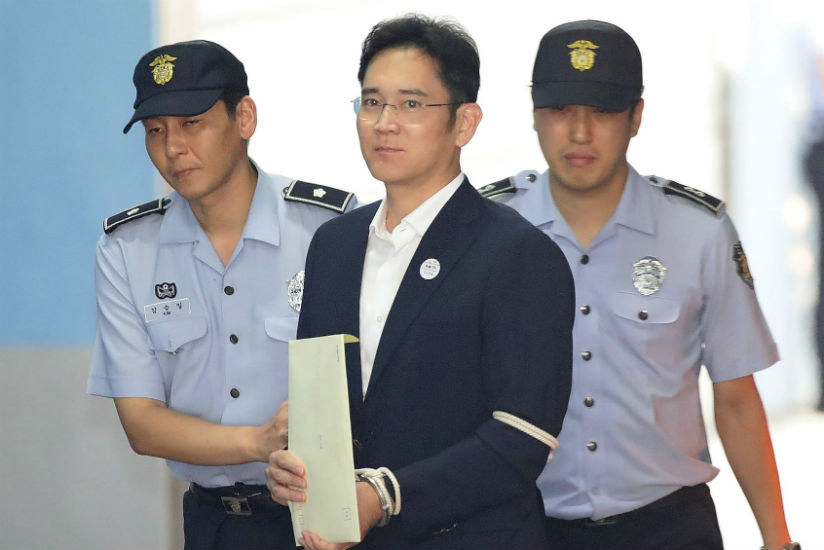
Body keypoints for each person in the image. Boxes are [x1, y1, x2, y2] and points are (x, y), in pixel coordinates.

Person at [482, 19, 798, 550]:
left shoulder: (698, 232)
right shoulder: (489, 230)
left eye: (603, 112)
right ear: (535, 117)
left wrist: (778, 539)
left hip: (669, 527)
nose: (579, 133)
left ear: (636, 118)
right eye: (560, 111)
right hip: (524, 525)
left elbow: (738, 399)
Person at [266, 14, 575, 550]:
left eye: (411, 104)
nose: (384, 122)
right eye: (371, 102)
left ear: (464, 122)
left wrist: (385, 496)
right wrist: (295, 468)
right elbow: (325, 402)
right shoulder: (333, 245)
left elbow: (524, 434)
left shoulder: (517, 253)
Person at [86, 39, 355, 549]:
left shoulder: (330, 228)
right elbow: (142, 424)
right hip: (212, 524)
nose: (173, 148)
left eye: (193, 123)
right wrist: (257, 441)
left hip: (324, 514)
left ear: (245, 118)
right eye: (155, 131)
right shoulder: (127, 249)